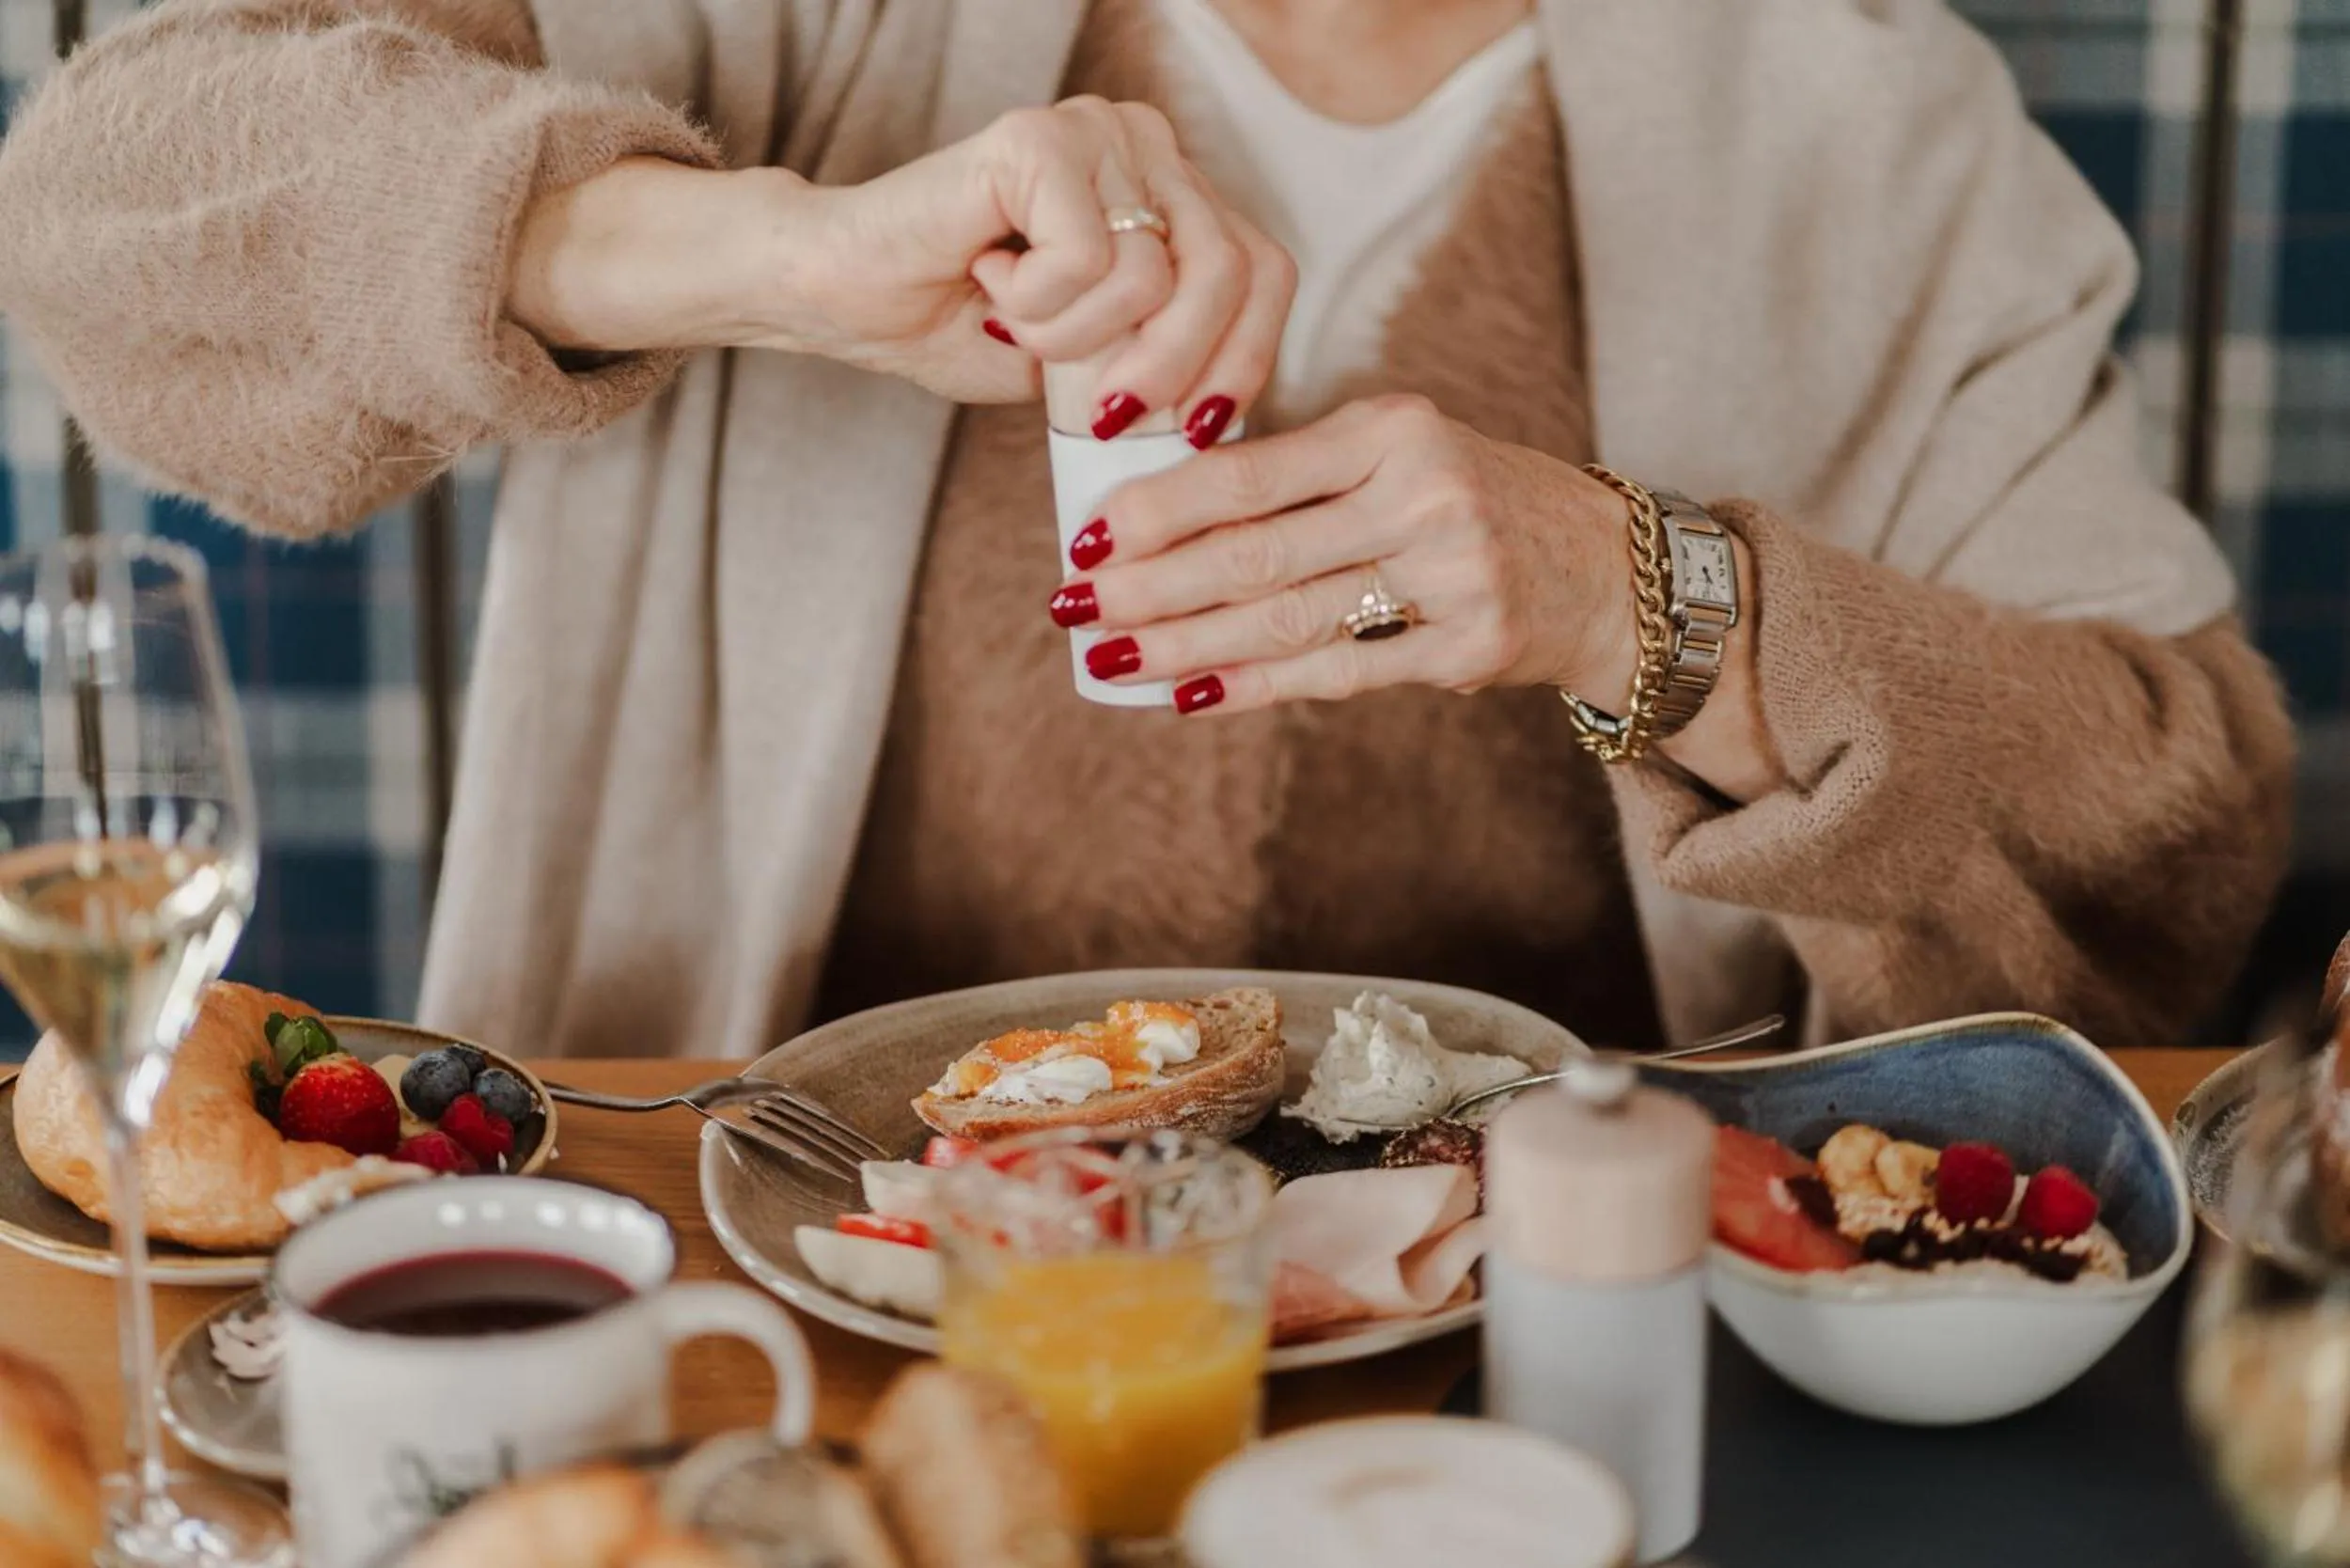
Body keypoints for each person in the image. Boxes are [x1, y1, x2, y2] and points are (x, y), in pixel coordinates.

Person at [0, 0, 2294, 1061]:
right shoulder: (808, 18)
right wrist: (761, 253)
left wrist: (1645, 597)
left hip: (1546, 1351)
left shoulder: (1866, 124)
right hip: (776, 1290)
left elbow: (2168, 830)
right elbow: (103, 216)